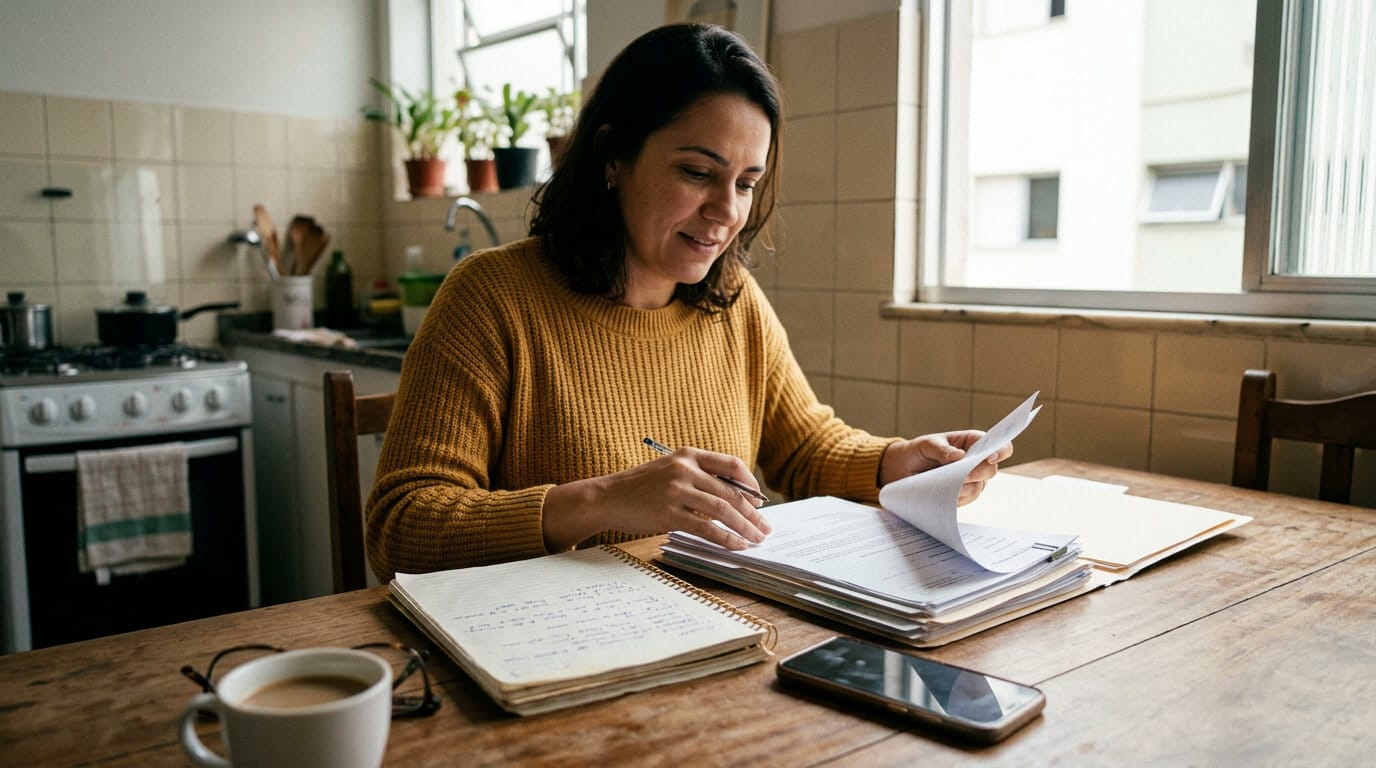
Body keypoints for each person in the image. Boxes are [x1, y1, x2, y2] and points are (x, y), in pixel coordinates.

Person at [365, 23, 1012, 580]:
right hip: (549, 658)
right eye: (698, 173)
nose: (726, 212)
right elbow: (400, 528)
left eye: (746, 183)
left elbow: (806, 447)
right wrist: (604, 500)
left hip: (717, 639)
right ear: (612, 157)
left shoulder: (733, 302)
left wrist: (896, 462)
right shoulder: (492, 299)